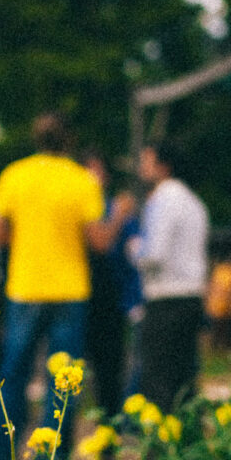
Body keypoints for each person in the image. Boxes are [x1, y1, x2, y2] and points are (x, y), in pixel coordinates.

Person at [0, 113, 135, 460]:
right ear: (68, 141)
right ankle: (50, 459)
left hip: (24, 286)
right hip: (70, 290)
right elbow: (99, 242)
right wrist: (120, 216)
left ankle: (2, 458)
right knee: (62, 377)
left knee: (14, 372)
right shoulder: (82, 180)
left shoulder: (14, 174)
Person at [129, 140, 209, 413]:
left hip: (164, 299)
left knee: (158, 379)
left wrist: (134, 249)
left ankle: (158, 448)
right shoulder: (194, 201)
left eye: (146, 161)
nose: (141, 167)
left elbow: (153, 254)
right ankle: (187, 443)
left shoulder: (162, 199)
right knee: (184, 380)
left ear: (163, 166)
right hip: (192, 296)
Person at [82, 152, 143, 420]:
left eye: (100, 172)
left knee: (110, 369)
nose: (98, 178)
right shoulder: (78, 207)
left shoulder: (114, 209)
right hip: (76, 297)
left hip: (110, 299)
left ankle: (110, 431)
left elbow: (131, 258)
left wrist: (133, 300)